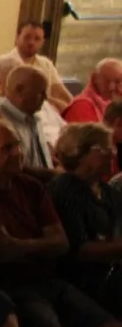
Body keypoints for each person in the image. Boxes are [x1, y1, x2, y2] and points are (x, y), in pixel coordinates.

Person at [0, 118, 122, 327]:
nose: (17, 153)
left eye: (17, 145)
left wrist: (21, 245)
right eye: (7, 148)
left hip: (52, 281)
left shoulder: (31, 186)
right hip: (14, 287)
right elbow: (4, 252)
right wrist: (40, 245)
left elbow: (61, 243)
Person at [46, 122, 122, 314]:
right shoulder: (65, 189)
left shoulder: (107, 191)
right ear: (81, 152)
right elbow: (79, 250)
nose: (113, 153)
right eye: (105, 148)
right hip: (84, 280)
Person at [0, 20, 73, 112]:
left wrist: (76, 106)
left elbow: (61, 92)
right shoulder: (3, 63)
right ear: (17, 37)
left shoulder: (46, 63)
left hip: (48, 115)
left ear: (42, 42)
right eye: (27, 37)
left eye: (37, 39)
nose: (31, 42)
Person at [64, 59, 122, 124]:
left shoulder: (117, 102)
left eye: (118, 81)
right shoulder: (82, 106)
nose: (111, 87)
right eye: (106, 81)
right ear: (94, 78)